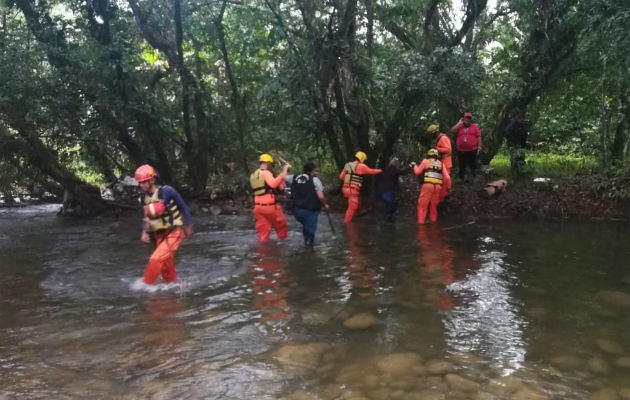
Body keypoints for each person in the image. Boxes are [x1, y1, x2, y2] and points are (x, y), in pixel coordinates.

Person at [135, 164, 194, 285]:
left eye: (144, 182)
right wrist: (144, 231)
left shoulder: (167, 191)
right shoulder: (143, 198)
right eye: (140, 183)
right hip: (159, 236)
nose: (142, 185)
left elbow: (183, 207)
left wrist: (189, 225)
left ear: (152, 180)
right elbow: (145, 217)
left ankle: (145, 287)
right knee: (166, 270)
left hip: (173, 232)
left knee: (155, 259)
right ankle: (173, 290)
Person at [286, 160, 329, 247]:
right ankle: (309, 251)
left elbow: (283, 177)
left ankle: (306, 244)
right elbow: (320, 197)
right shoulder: (315, 180)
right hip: (310, 211)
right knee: (310, 235)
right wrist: (325, 205)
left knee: (306, 226)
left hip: (296, 211)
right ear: (313, 170)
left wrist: (286, 168)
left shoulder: (294, 177)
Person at [250, 153, 292, 242]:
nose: (271, 167)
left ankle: (262, 251)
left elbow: (268, 187)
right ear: (268, 163)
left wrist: (281, 180)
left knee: (263, 231)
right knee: (281, 226)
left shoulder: (255, 174)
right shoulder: (266, 173)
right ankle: (282, 245)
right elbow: (273, 184)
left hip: (258, 208)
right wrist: (284, 170)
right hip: (270, 207)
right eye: (271, 165)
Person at [339, 151, 382, 223]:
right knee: (352, 207)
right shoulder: (362, 166)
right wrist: (381, 170)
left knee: (358, 200)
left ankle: (358, 213)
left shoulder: (348, 165)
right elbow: (372, 171)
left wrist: (349, 179)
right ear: (362, 159)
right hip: (352, 190)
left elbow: (341, 177)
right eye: (364, 160)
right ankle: (346, 223)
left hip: (345, 189)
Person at [412, 148, 452, 224]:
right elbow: (447, 177)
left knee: (422, 207)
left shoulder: (425, 161)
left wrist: (414, 166)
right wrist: (449, 188)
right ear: (437, 156)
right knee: (433, 207)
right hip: (437, 187)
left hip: (427, 186)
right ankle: (433, 224)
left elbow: (417, 172)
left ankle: (421, 226)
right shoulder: (441, 164)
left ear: (429, 155)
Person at [450, 112, 482, 182]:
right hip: (461, 150)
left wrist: (479, 146)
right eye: (466, 118)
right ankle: (461, 178)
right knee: (461, 164)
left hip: (472, 149)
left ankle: (474, 177)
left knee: (473, 164)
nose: (467, 120)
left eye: (469, 119)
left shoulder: (474, 126)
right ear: (463, 119)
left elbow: (478, 136)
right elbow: (452, 131)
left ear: (471, 120)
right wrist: (459, 123)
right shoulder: (459, 126)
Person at [428, 124, 453, 202]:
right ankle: (441, 196)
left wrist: (437, 148)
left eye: (431, 134)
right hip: (441, 162)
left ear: (435, 132)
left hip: (446, 162)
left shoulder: (443, 138)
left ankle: (445, 195)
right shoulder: (438, 139)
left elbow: (448, 149)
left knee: (445, 179)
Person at [504, 111, 528, 177]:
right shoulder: (513, 124)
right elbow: (507, 133)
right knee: (515, 159)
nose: (523, 120)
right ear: (519, 118)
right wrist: (514, 141)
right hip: (514, 145)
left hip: (521, 145)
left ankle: (522, 173)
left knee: (521, 159)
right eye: (522, 119)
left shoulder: (522, 125)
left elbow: (524, 134)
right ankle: (514, 174)